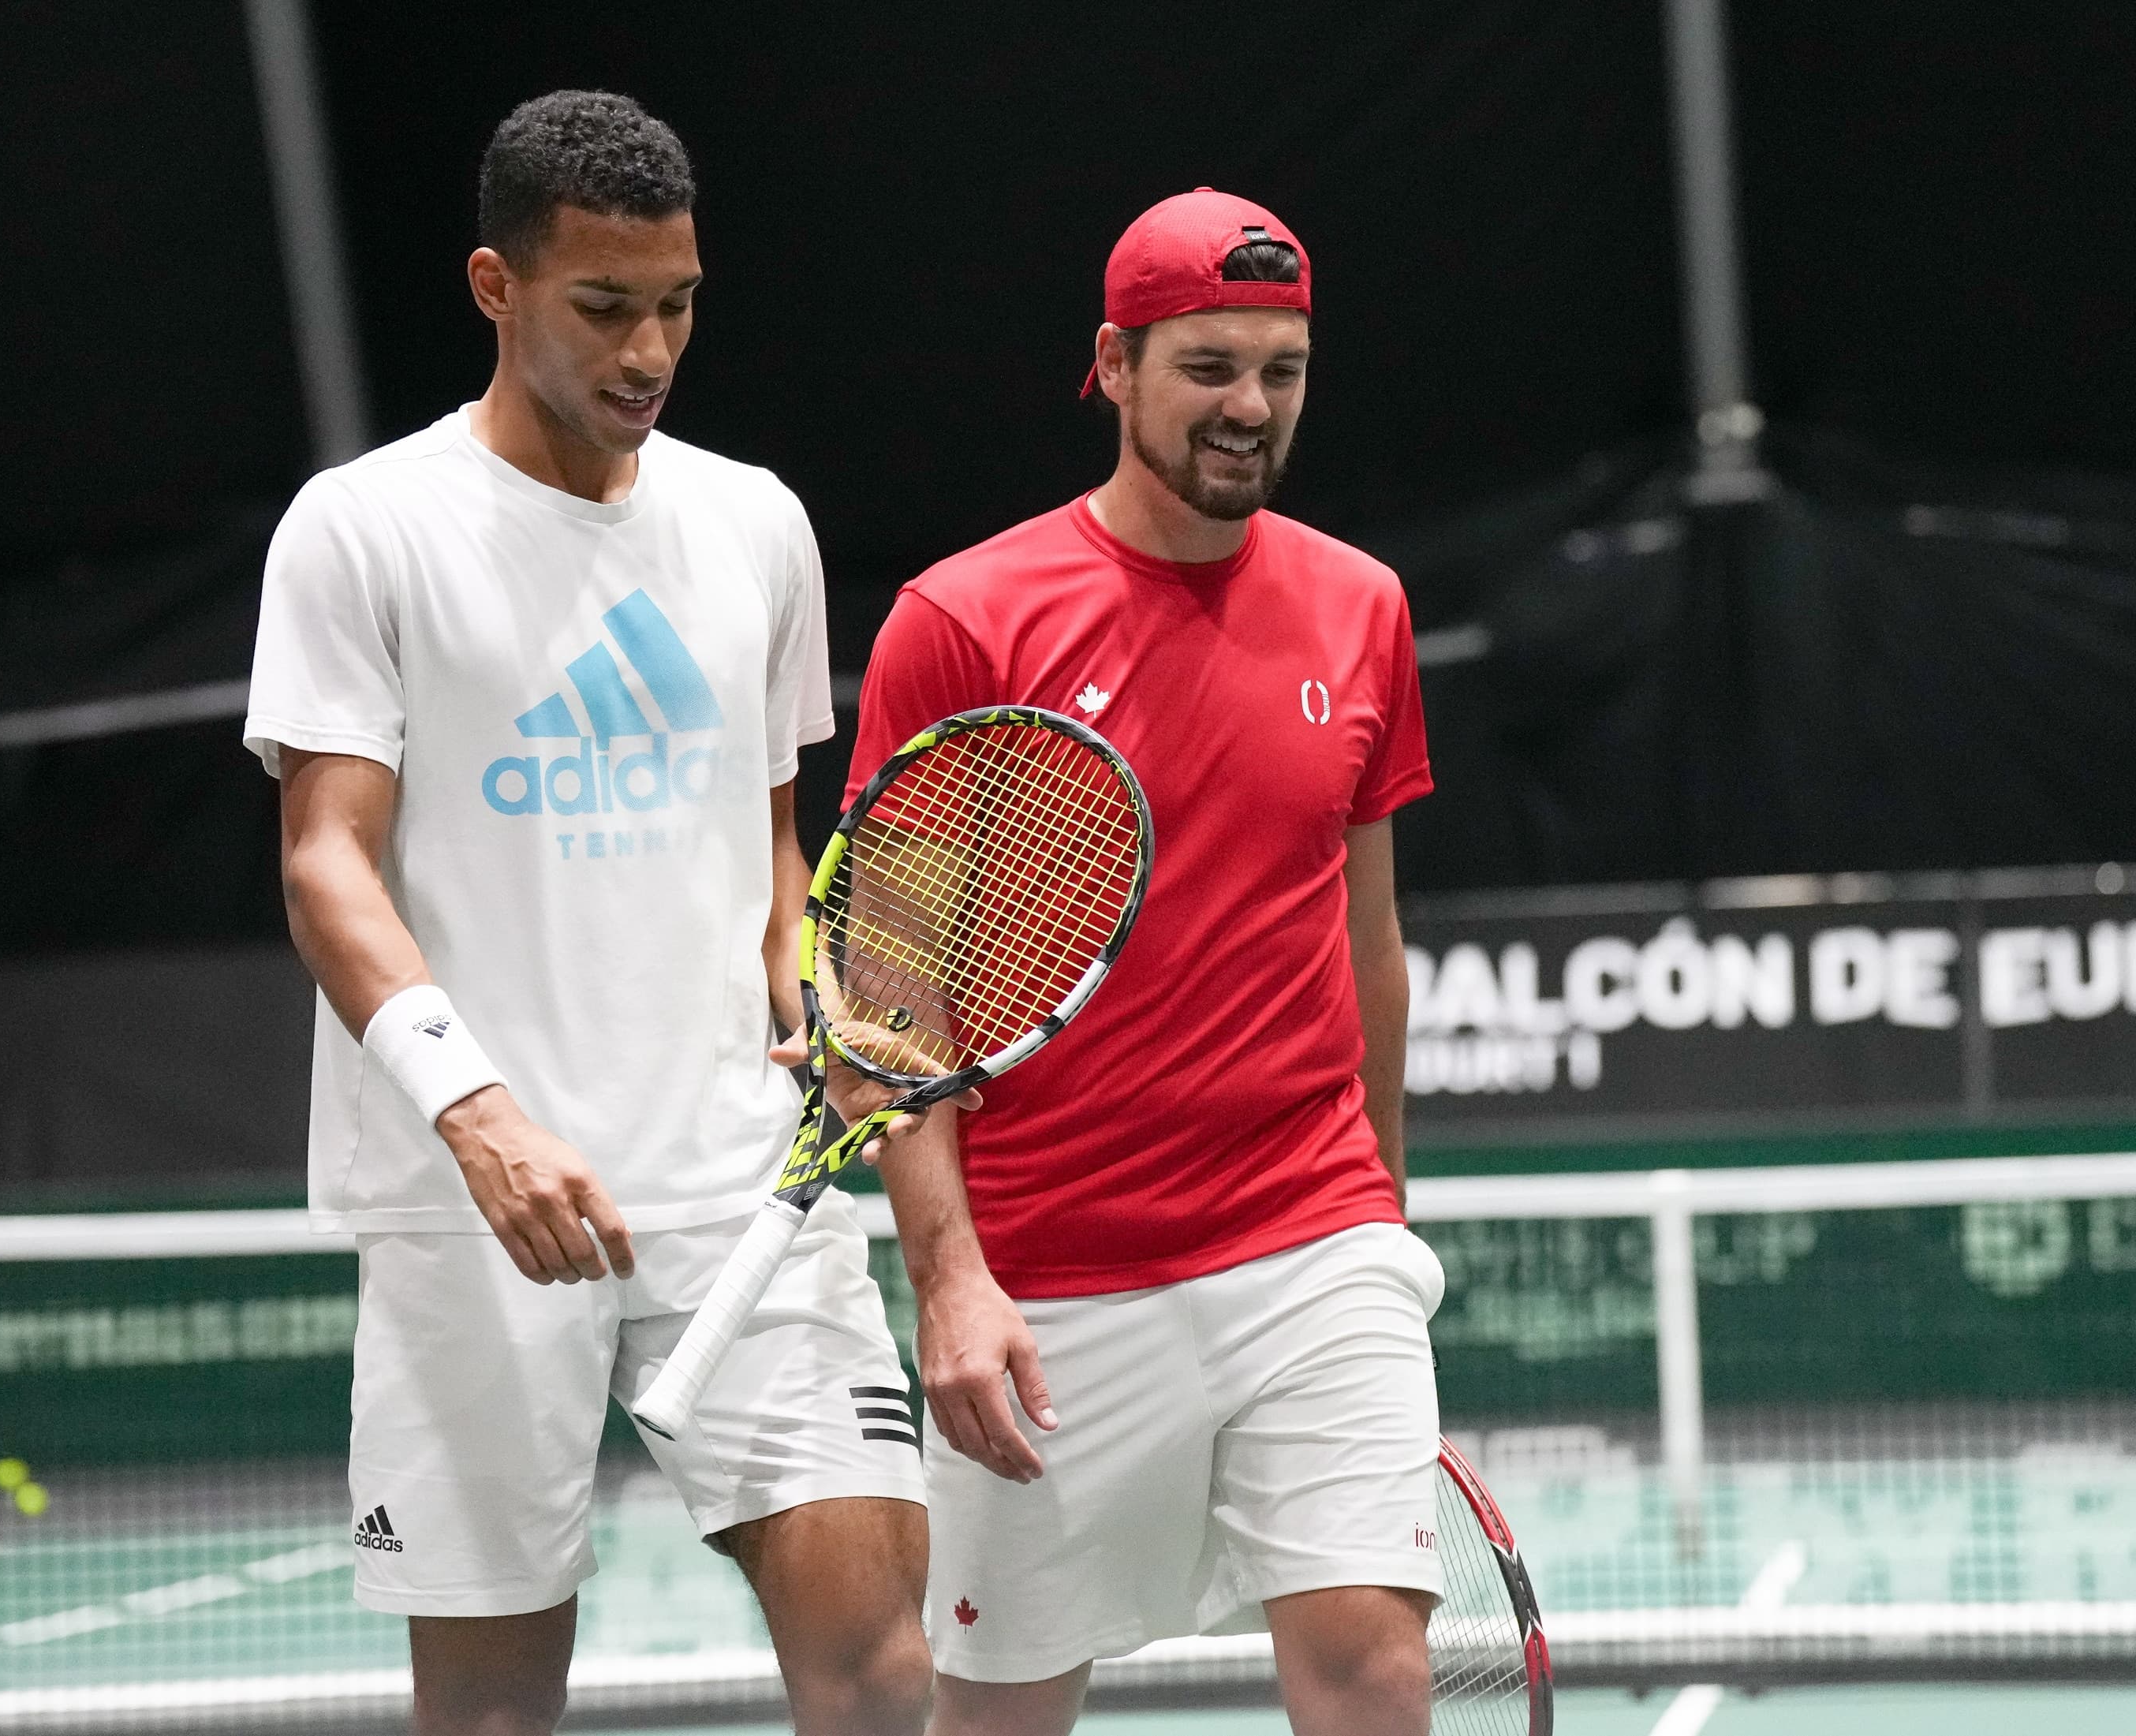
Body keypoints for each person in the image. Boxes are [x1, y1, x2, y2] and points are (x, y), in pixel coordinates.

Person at [243, 91, 930, 1736]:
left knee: (882, 1668)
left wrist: (812, 981)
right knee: (493, 1712)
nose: (651, 351)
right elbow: (327, 861)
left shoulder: (755, 523)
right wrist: (476, 1113)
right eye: (606, 307)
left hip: (738, 1185)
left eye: (678, 304)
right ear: (497, 285)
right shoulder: (365, 527)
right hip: (474, 1204)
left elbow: (771, 843)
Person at [843, 189, 1444, 1736]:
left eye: (1282, 370)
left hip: (1312, 1236)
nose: (1251, 406)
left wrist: (1383, 1217)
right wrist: (948, 1280)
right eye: (1209, 367)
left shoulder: (1362, 607)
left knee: (1375, 1668)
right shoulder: (961, 622)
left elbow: (1369, 939)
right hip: (1052, 1275)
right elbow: (889, 993)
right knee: (1004, 1713)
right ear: (1113, 366)